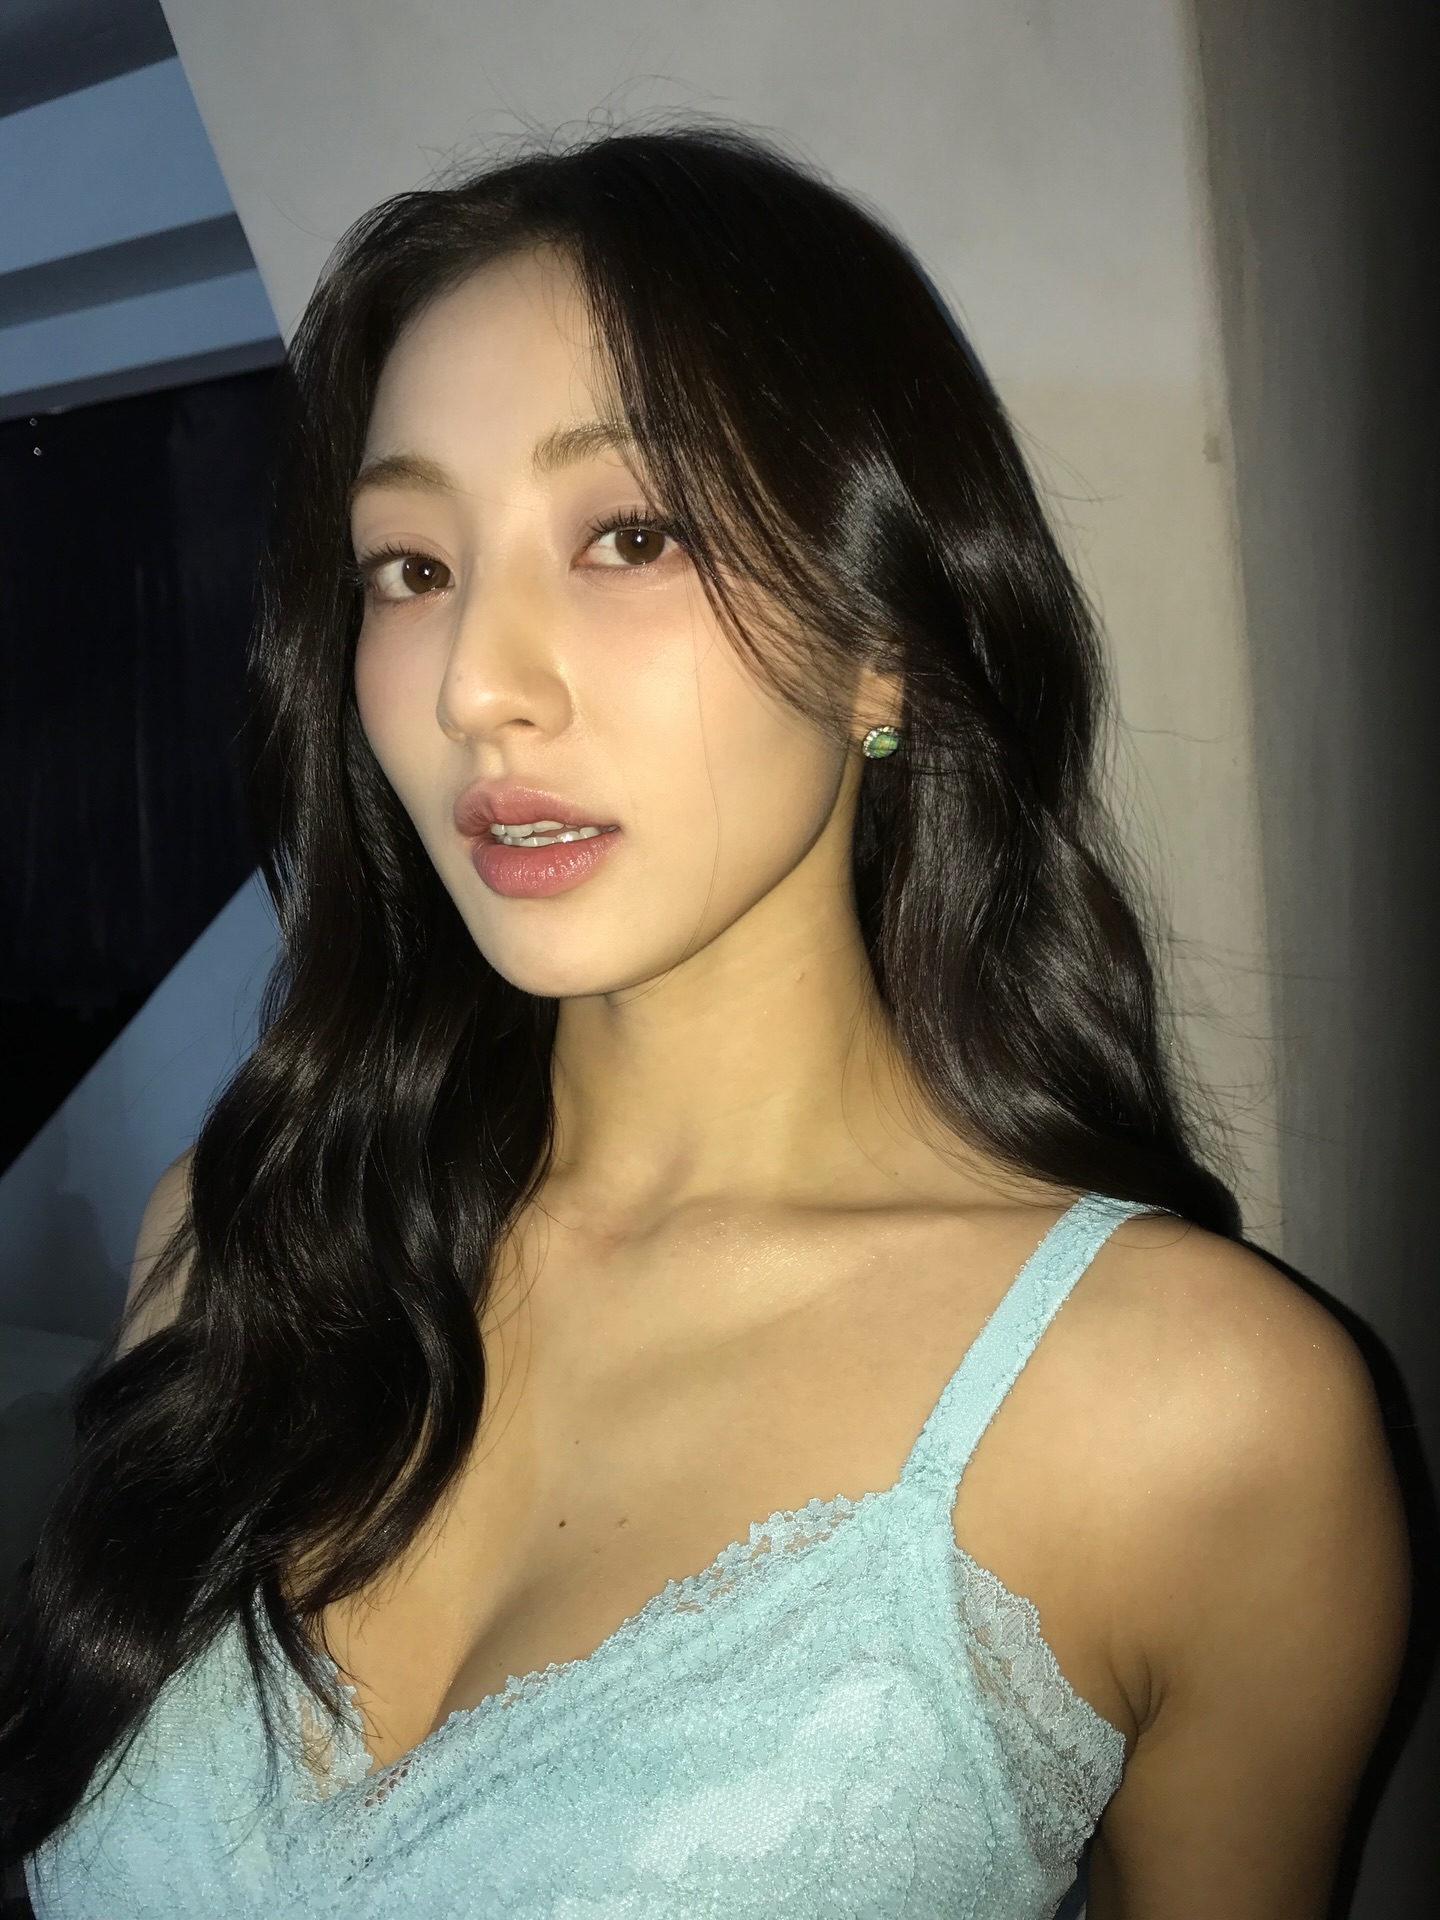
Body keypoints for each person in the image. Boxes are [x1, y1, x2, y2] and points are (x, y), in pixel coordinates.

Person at [0, 128, 1407, 1919]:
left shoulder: (1189, 1416)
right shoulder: (233, 1236)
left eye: (632, 535)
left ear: (884, 642)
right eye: (409, 566)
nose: (476, 685)